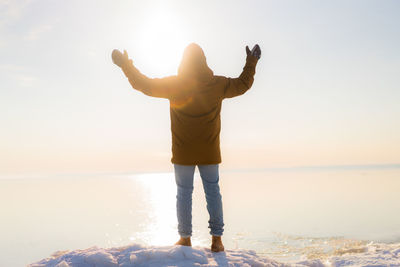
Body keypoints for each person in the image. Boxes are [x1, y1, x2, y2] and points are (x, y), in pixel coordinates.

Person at [112, 43, 261, 252]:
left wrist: (126, 66)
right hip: (209, 152)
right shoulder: (217, 84)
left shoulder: (174, 85)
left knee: (184, 193)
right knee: (213, 192)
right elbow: (243, 84)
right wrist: (251, 61)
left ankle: (185, 238)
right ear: (204, 61)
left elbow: (143, 84)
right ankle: (217, 240)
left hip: (183, 153)